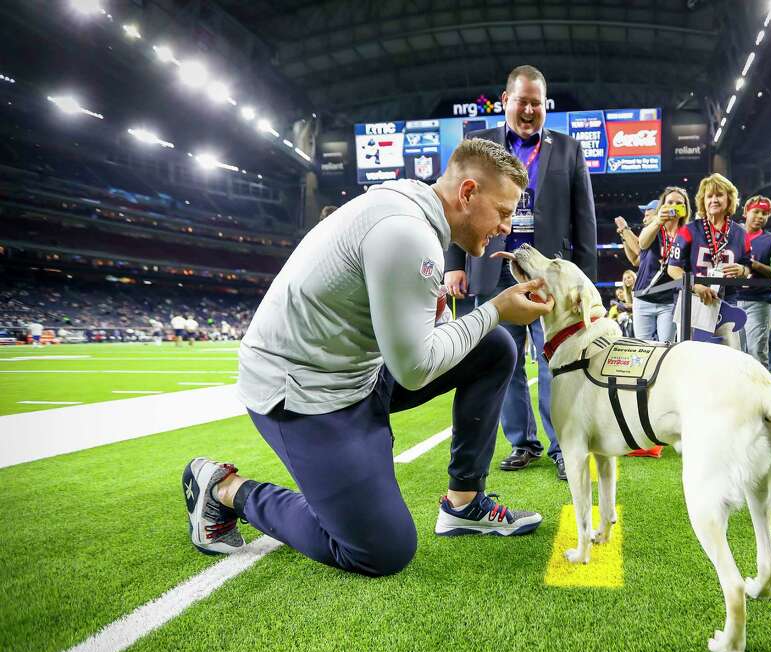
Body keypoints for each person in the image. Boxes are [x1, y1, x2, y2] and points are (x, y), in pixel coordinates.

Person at [181, 138, 554, 576]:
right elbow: (414, 371)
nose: (507, 227)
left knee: (492, 348)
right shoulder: (407, 233)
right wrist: (495, 309)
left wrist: (492, 320)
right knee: (381, 550)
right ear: (467, 193)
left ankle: (463, 504)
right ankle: (224, 489)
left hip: (355, 373)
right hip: (302, 396)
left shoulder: (413, 205)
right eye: (504, 212)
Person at [443, 65, 597, 482]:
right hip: (492, 270)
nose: (529, 110)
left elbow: (584, 219)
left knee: (557, 364)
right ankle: (522, 443)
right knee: (503, 361)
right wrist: (455, 265)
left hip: (549, 278)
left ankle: (563, 445)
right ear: (505, 100)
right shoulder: (479, 147)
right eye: (522, 101)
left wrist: (589, 283)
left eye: (537, 102)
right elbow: (458, 205)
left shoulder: (568, 149)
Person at [667, 174, 751, 348]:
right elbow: (673, 269)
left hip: (727, 301)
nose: (714, 200)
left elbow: (748, 266)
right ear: (702, 201)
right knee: (691, 356)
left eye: (719, 195)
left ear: (730, 199)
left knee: (730, 356)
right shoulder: (688, 230)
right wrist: (695, 286)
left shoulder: (741, 234)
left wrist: (742, 270)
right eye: (709, 196)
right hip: (693, 301)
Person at [632, 187, 692, 341]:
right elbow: (642, 244)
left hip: (669, 301)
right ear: (662, 205)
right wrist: (658, 220)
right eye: (669, 202)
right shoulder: (655, 228)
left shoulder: (688, 234)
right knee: (643, 348)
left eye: (679, 203)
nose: (673, 206)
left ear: (685, 208)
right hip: (644, 297)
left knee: (666, 348)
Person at [737, 195, 771, 368]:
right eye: (756, 211)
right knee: (734, 351)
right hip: (732, 299)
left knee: (757, 352)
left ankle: (762, 393)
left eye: (765, 213)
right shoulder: (732, 234)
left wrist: (753, 264)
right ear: (746, 212)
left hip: (759, 300)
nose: (760, 216)